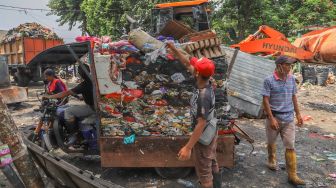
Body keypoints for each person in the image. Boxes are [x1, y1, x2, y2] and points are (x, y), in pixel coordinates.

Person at [167, 43, 221, 188]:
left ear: (197, 73)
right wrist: (174, 49)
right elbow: (187, 62)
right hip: (212, 130)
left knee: (204, 171)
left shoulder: (204, 96)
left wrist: (188, 147)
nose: (192, 68)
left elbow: (201, 123)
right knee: (212, 161)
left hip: (204, 136)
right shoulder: (206, 80)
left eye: (195, 69)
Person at [262, 55, 305, 186]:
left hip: (288, 118)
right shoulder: (268, 80)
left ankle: (292, 174)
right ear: (279, 66)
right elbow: (265, 100)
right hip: (273, 117)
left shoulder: (291, 79)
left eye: (291, 65)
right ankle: (271, 160)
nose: (290, 67)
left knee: (290, 146)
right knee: (271, 141)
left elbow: (294, 97)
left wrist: (298, 114)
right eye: (288, 65)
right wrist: (271, 118)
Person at [43, 64, 95, 145]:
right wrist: (80, 97)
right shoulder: (90, 81)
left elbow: (66, 93)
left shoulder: (85, 83)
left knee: (68, 112)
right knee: (66, 107)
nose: (79, 73)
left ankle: (73, 135)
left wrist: (49, 96)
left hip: (92, 108)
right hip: (91, 105)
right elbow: (78, 92)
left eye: (79, 71)